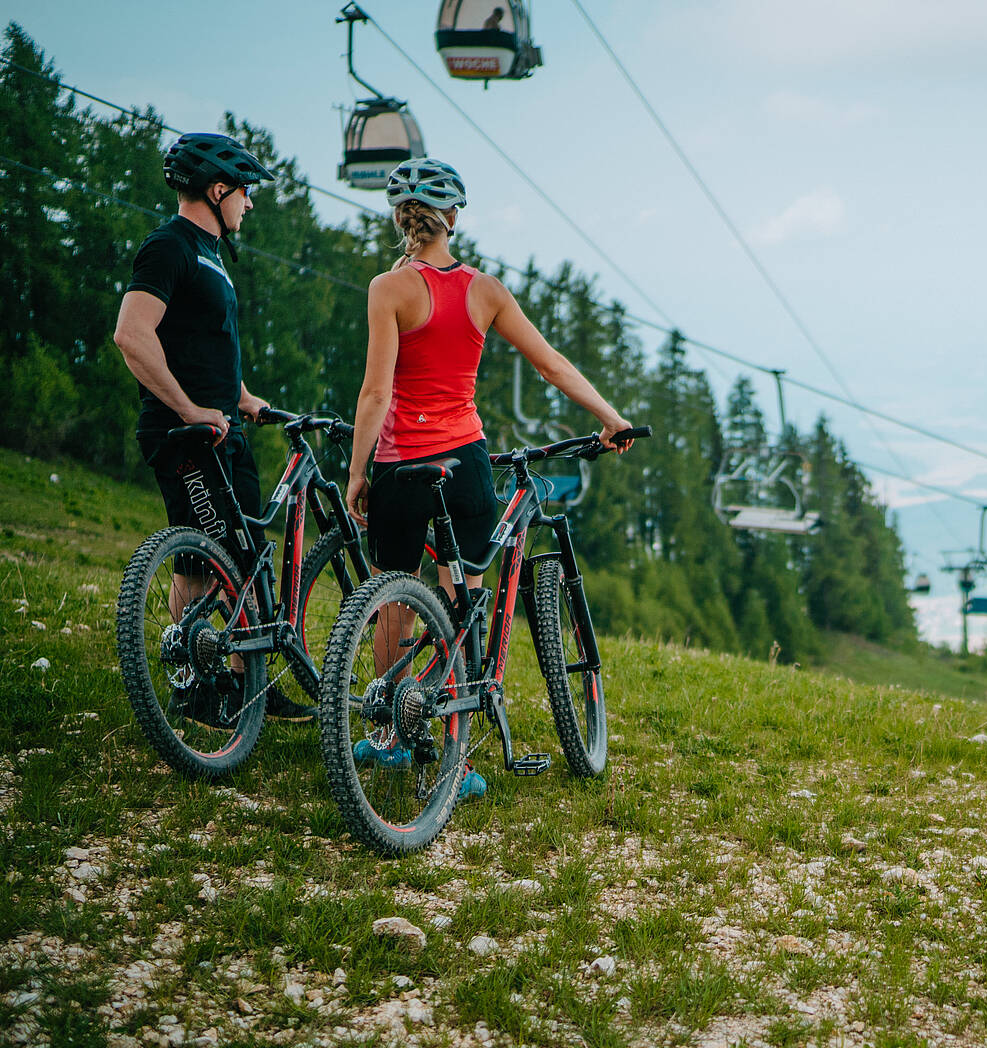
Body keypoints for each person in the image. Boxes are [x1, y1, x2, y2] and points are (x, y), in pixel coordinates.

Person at [344, 157, 632, 798]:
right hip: (464, 463)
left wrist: (358, 471)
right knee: (461, 596)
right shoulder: (485, 290)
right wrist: (609, 418)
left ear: (400, 218)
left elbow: (374, 391)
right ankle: (455, 755)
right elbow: (551, 365)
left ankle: (389, 734)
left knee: (392, 593)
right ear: (451, 218)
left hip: (398, 464)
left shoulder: (386, 290)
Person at [113, 131, 310, 722]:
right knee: (201, 557)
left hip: (226, 431)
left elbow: (199, 342)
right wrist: (189, 408)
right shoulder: (169, 246)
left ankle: (242, 678)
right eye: (245, 192)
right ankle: (194, 684)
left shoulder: (212, 256)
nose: (250, 203)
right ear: (217, 189)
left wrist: (242, 397)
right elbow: (132, 334)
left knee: (237, 553)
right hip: (187, 434)